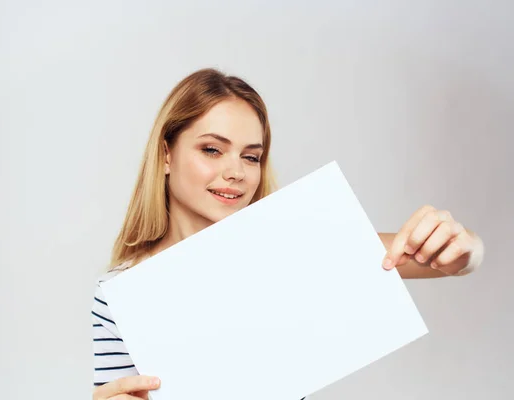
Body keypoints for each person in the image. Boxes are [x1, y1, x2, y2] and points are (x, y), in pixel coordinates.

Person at [91, 68, 485, 400]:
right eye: (212, 150)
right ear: (166, 154)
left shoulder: (288, 251)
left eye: (251, 156)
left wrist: (467, 248)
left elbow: (443, 260)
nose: (237, 172)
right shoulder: (121, 293)